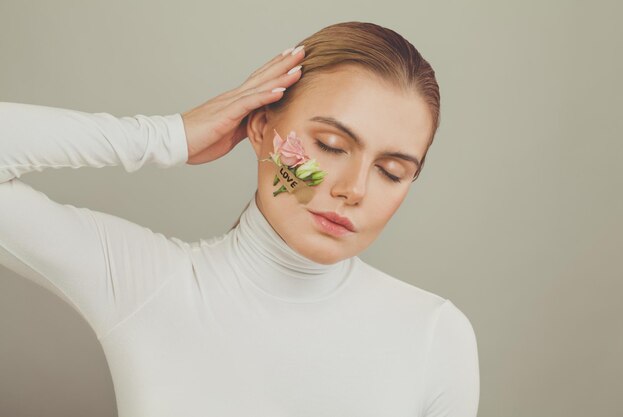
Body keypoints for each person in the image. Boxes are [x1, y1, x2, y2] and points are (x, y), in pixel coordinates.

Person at [0, 21, 479, 417]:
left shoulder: (434, 334)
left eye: (392, 172)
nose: (353, 189)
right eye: (331, 146)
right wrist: (168, 136)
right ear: (261, 127)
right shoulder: (144, 283)